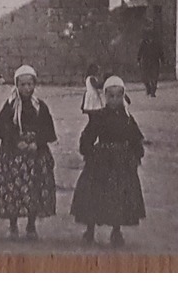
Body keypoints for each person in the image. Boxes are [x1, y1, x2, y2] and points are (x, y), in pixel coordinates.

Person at [70, 75, 146, 247]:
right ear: (105, 97)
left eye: (118, 96)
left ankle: (116, 230)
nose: (114, 99)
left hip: (121, 162)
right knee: (94, 194)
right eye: (110, 96)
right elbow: (87, 136)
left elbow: (135, 138)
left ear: (123, 96)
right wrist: (89, 152)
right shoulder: (99, 117)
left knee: (118, 197)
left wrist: (136, 154)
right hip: (101, 162)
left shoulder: (127, 118)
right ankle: (90, 230)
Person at [0, 64, 58, 239]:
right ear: (16, 85)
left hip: (35, 156)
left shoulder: (40, 106)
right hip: (14, 156)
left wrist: (37, 143)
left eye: (30, 84)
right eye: (23, 84)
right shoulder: (11, 106)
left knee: (33, 190)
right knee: (14, 192)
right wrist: (16, 142)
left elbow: (47, 130)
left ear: (35, 84)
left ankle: (31, 226)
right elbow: (1, 129)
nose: (27, 88)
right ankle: (13, 225)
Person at [136, 25, 164, 98]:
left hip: (154, 62)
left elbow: (161, 52)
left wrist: (162, 61)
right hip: (146, 62)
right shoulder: (144, 43)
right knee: (145, 77)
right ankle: (148, 88)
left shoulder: (157, 43)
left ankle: (153, 92)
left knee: (154, 77)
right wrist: (138, 60)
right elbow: (140, 52)